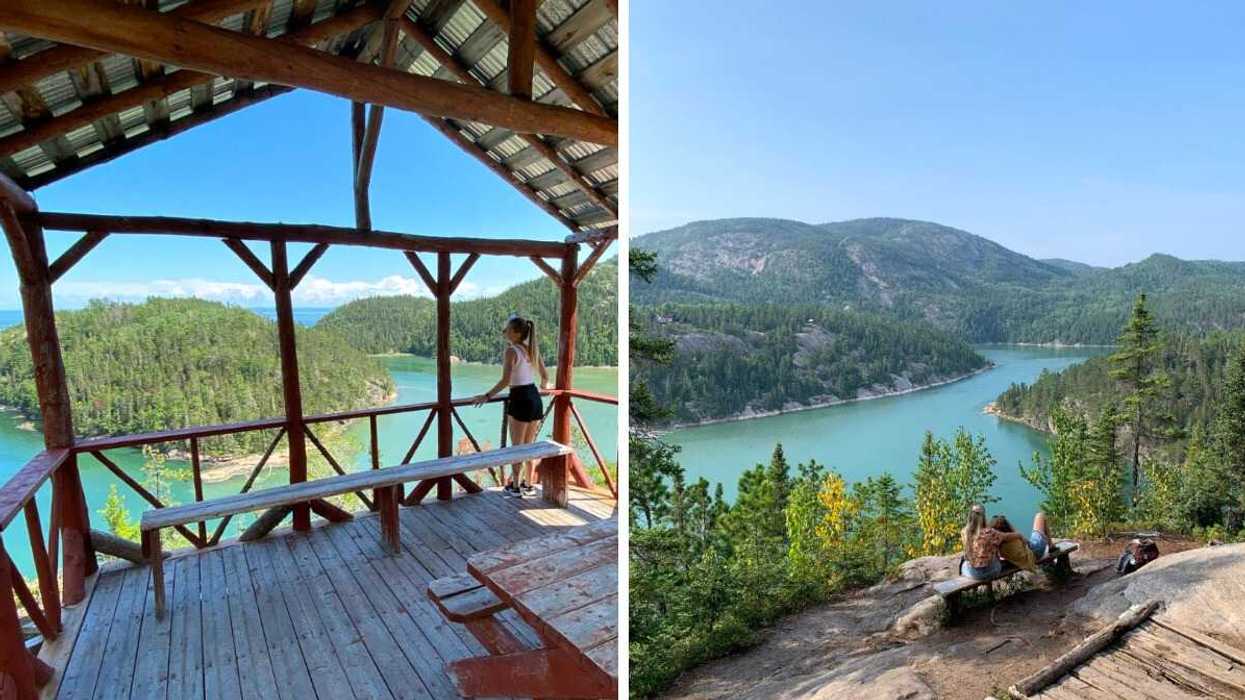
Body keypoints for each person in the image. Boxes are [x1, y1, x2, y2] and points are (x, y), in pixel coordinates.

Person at [473, 314, 549, 498]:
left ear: (515, 332)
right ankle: (529, 485)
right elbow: (545, 376)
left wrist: (487, 396)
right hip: (534, 397)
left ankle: (515, 486)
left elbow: (506, 381)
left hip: (520, 398)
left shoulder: (511, 351)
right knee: (529, 446)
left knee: (517, 447)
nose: (504, 331)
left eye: (506, 328)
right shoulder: (531, 349)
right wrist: (545, 387)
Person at [960, 504, 1025, 580]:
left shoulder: (964, 532)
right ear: (983, 517)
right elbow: (1007, 536)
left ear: (970, 516)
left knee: (964, 564)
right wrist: (1019, 535)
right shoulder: (990, 532)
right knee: (996, 557)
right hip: (992, 571)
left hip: (973, 574)